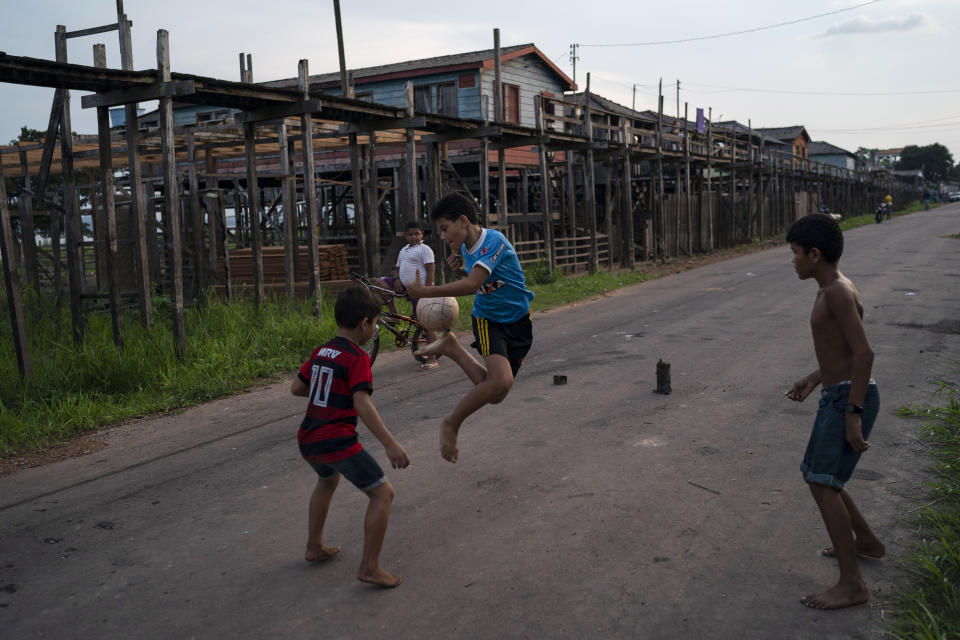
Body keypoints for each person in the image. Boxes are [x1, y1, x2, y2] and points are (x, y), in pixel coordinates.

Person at [784, 214, 882, 610]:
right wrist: (813, 378)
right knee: (821, 477)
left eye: (794, 253)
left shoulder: (837, 291)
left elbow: (863, 353)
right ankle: (868, 543)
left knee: (823, 483)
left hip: (847, 398)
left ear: (814, 253)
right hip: (836, 392)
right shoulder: (828, 288)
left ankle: (851, 584)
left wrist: (853, 412)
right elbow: (839, 353)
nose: (792, 261)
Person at [290, 286, 410, 588]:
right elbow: (362, 403)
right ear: (365, 324)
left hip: (309, 437)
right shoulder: (357, 357)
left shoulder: (322, 351)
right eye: (374, 324)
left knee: (327, 480)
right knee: (383, 494)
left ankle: (313, 546)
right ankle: (370, 567)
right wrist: (390, 444)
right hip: (336, 440)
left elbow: (297, 388)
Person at [406, 193, 534, 463]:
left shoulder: (494, 241)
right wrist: (459, 268)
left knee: (496, 392)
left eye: (444, 229)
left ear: (463, 221)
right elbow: (474, 279)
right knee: (500, 382)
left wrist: (425, 292)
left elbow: (473, 284)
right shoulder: (463, 247)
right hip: (488, 319)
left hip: (519, 319)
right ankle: (451, 423)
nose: (442, 237)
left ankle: (451, 347)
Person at [377, 220, 439, 370]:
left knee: (425, 323)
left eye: (416, 234)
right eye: (410, 234)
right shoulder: (404, 250)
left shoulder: (425, 249)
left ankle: (432, 359)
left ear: (422, 234)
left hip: (420, 289)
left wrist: (427, 289)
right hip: (404, 287)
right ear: (405, 236)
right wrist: (397, 279)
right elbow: (396, 268)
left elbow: (430, 270)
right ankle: (394, 316)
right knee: (380, 283)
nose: (413, 237)